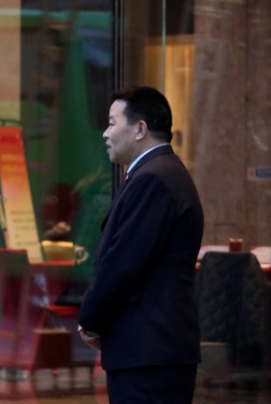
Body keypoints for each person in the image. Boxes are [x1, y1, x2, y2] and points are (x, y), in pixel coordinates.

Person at [77, 86, 204, 404]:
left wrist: (90, 319)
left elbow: (123, 262)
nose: (105, 133)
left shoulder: (154, 178)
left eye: (111, 123)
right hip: (150, 351)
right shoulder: (157, 173)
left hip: (149, 353)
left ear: (140, 129)